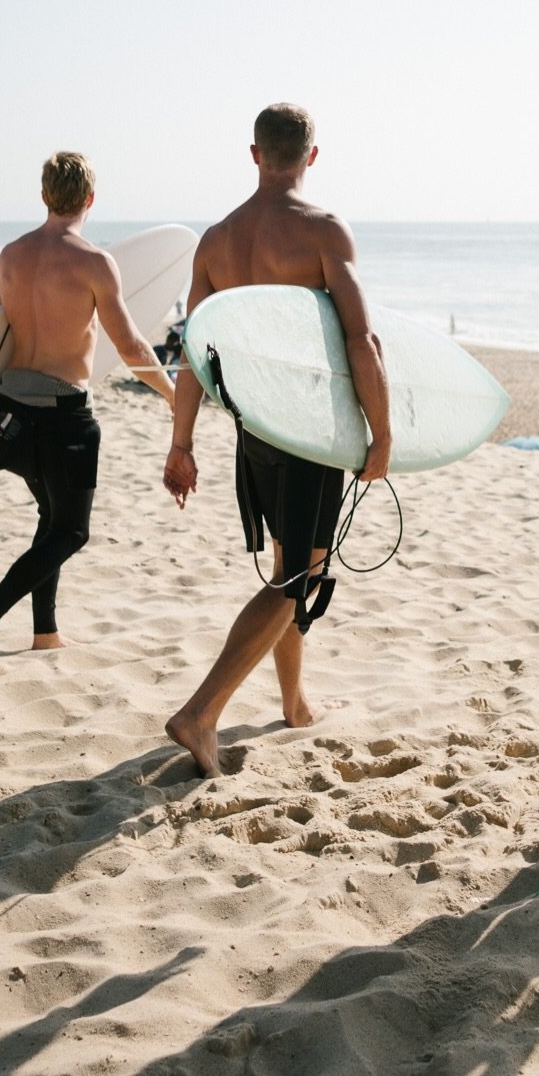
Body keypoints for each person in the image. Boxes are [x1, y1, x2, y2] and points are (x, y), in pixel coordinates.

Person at [163, 104, 391, 776]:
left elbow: (194, 356)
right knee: (297, 579)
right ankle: (202, 713)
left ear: (255, 153)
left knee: (295, 564)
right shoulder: (323, 231)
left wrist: (182, 444)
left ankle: (293, 701)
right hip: (307, 430)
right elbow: (361, 338)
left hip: (252, 427)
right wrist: (382, 432)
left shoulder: (216, 242)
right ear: (311, 157)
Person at [0, 151, 175, 680]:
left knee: (51, 519)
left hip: (12, 411)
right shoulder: (93, 262)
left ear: (44, 195)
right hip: (63, 415)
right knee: (72, 532)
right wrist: (172, 393)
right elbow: (131, 347)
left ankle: (45, 631)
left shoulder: (10, 256)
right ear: (91, 199)